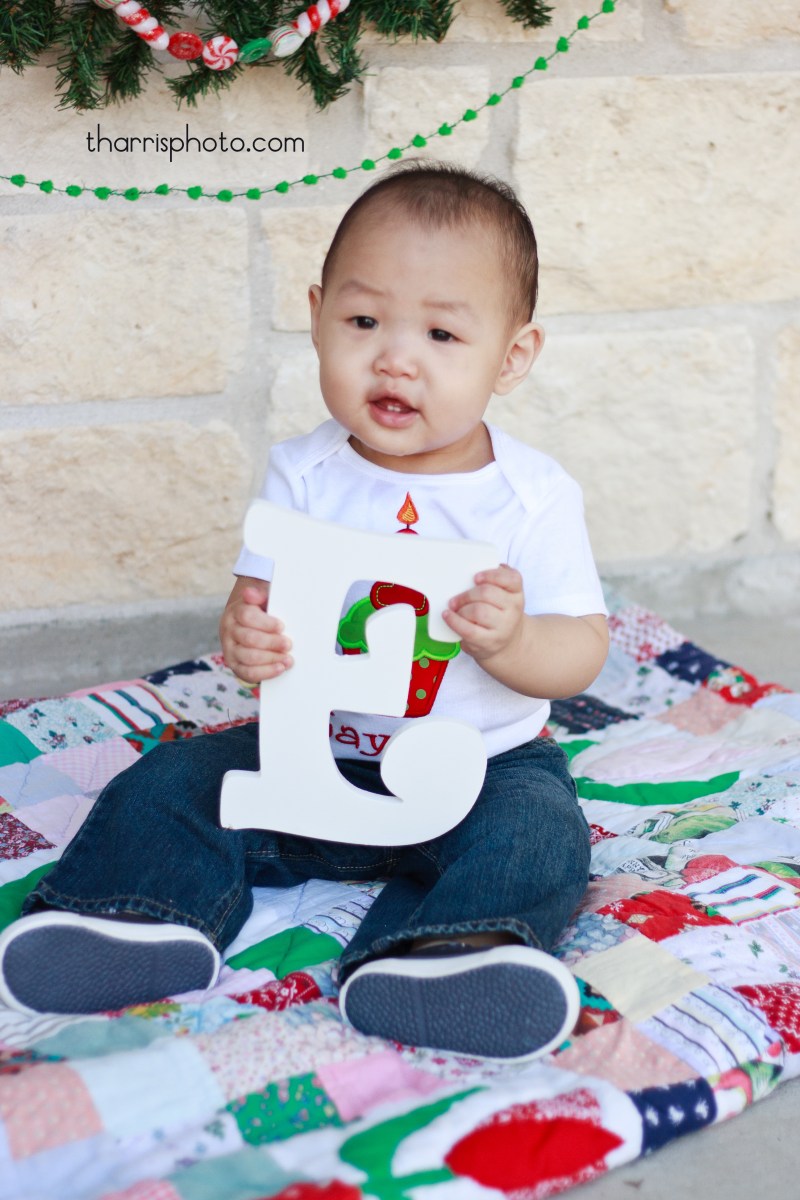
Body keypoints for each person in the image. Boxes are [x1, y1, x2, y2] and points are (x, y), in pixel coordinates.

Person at [0, 162, 609, 1062]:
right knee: (170, 780)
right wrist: (246, 638)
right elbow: (257, 607)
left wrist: (516, 641)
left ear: (512, 357)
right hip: (310, 759)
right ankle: (132, 917)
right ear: (319, 315)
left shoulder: (528, 500)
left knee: (541, 834)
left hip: (476, 768)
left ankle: (450, 955)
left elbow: (582, 651)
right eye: (364, 322)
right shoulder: (307, 473)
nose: (395, 357)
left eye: (442, 333)